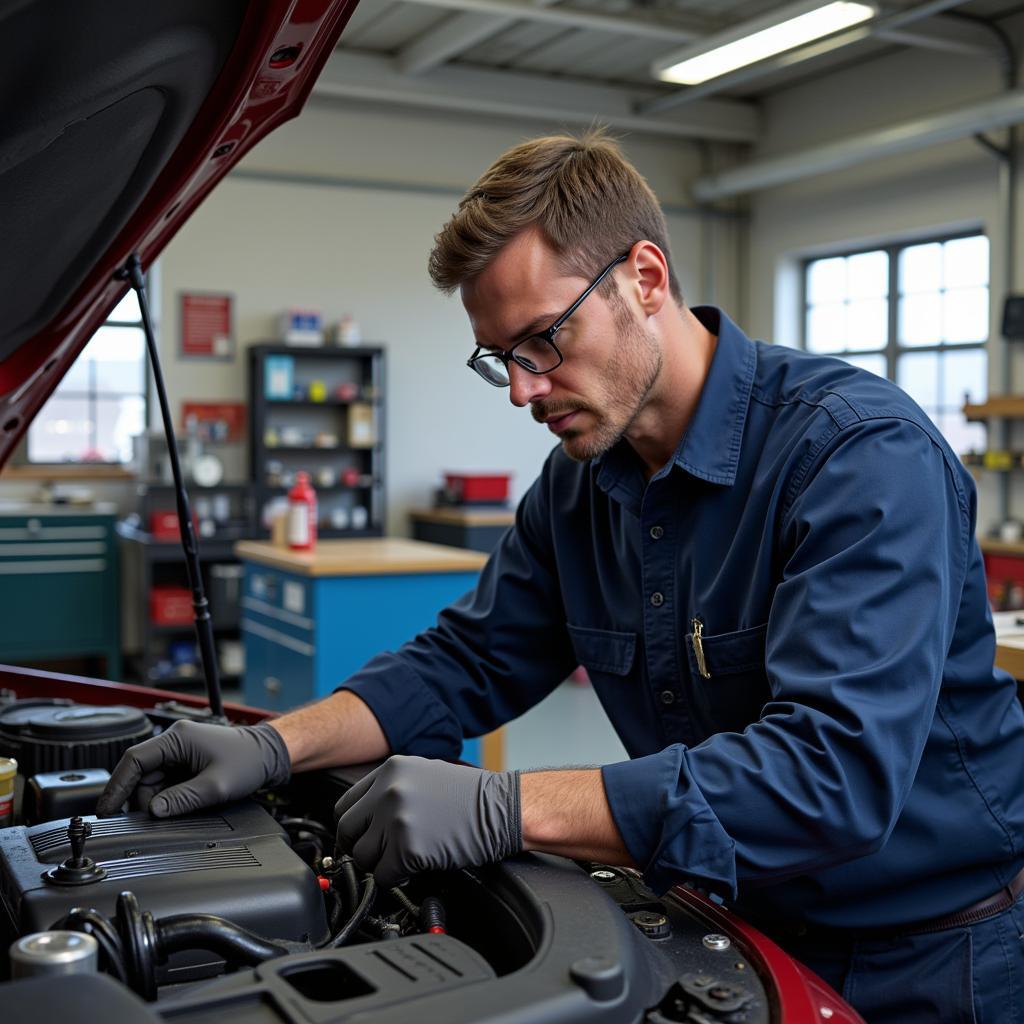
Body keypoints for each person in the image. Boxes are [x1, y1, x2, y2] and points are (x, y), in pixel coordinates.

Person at [99, 130, 1024, 1022]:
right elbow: (464, 662)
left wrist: (509, 804)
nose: (521, 389)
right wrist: (271, 746)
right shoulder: (581, 487)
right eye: (501, 358)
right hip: (732, 927)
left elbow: (833, 775)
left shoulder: (857, 457)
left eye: (543, 341)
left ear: (646, 279)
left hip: (931, 957)